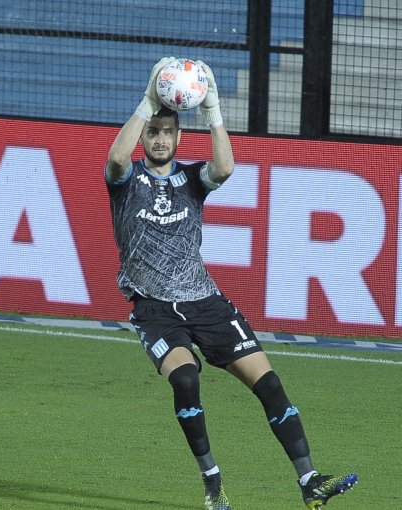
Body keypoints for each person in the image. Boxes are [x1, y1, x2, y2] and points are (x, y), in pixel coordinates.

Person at [103, 56, 358, 510]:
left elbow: (225, 167)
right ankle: (212, 480)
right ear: (144, 135)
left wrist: (214, 109)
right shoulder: (126, 180)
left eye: (167, 132)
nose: (160, 139)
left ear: (179, 137)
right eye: (153, 132)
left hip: (207, 303)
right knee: (184, 378)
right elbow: (115, 157)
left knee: (270, 384)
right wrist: (147, 100)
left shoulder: (191, 179)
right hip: (156, 310)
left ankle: (309, 481)